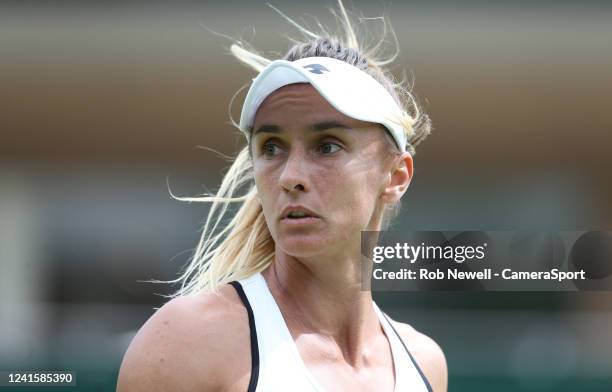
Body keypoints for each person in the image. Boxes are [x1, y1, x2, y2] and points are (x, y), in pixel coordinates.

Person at [117, 1, 447, 391]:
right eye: (272, 147)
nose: (291, 176)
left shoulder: (424, 362)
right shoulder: (189, 340)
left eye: (327, 146)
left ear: (396, 175)